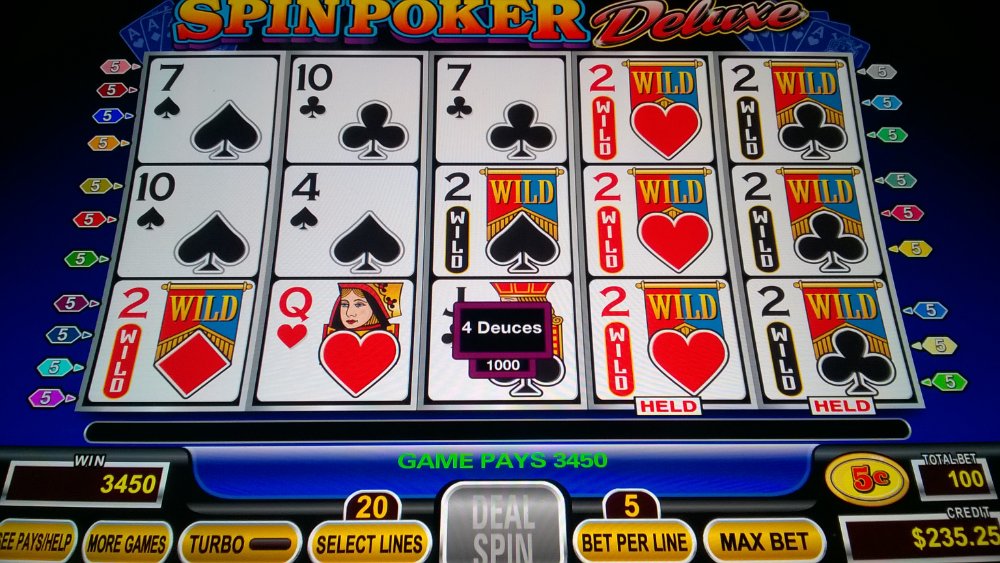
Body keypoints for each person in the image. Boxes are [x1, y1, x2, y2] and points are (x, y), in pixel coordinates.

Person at [324, 283, 399, 337]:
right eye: (344, 304)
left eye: (359, 305)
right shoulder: (331, 335)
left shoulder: (389, 334)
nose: (349, 313)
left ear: (374, 306)